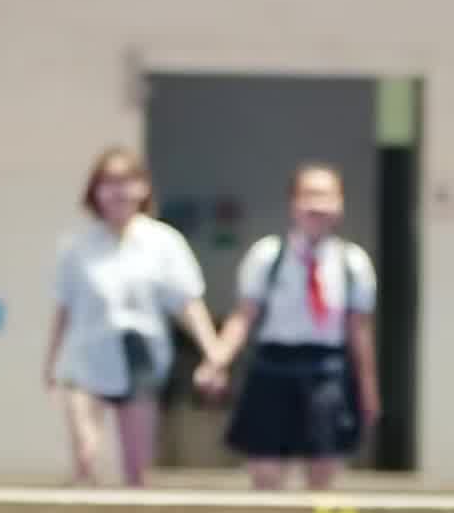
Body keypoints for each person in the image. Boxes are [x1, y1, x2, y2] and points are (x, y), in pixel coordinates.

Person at [42, 146, 223, 488]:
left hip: (140, 356)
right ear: (95, 191)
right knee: (86, 453)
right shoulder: (76, 247)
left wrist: (213, 353)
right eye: (109, 182)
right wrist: (50, 365)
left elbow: (186, 303)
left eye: (127, 182)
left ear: (143, 188)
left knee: (137, 463)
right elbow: (62, 309)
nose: (119, 192)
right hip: (86, 355)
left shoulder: (163, 242)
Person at [203, 163, 382, 492]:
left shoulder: (353, 263)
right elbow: (244, 316)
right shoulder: (267, 256)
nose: (317, 206)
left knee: (324, 474)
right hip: (273, 365)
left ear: (340, 205)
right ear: (293, 204)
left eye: (326, 196)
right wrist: (217, 360)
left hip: (327, 369)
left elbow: (359, 330)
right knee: (265, 473)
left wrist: (368, 390)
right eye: (309, 195)